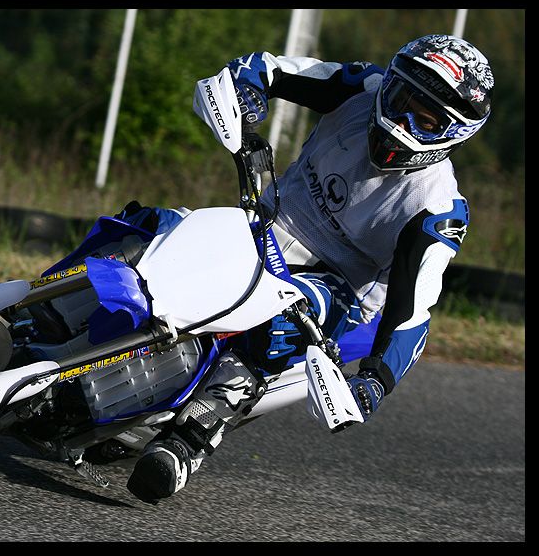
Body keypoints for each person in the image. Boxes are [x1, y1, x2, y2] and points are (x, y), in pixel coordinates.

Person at [121, 34, 494, 504]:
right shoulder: (365, 86)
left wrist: (375, 382)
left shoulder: (438, 208)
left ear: (451, 133)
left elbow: (413, 309)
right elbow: (273, 69)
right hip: (268, 222)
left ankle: (188, 440)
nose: (399, 120)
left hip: (337, 284)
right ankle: (38, 307)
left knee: (281, 325)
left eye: (423, 118)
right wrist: (246, 87)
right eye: (401, 99)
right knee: (151, 228)